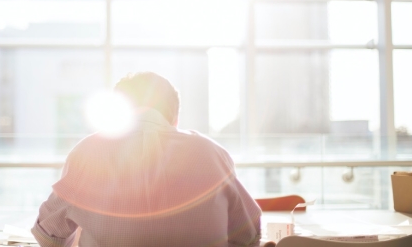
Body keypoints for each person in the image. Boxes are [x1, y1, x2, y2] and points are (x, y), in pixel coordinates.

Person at [32, 71, 261, 247]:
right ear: (175, 117)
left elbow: (49, 235)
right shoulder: (212, 153)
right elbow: (249, 235)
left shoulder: (88, 152)